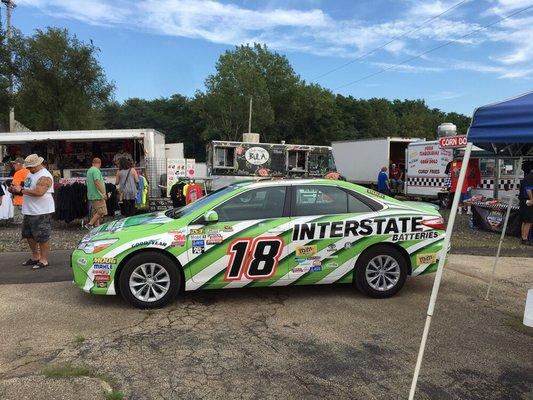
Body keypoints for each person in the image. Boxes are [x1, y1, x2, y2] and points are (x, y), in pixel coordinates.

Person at [10, 154, 55, 270]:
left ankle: (44, 260)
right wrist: (15, 189)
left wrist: (22, 190)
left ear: (38, 164)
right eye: (28, 167)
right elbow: (27, 189)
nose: (29, 169)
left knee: (42, 236)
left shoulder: (45, 176)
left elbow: (40, 192)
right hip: (29, 210)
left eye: (31, 167)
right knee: (28, 235)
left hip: (42, 211)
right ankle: (36, 256)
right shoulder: (31, 173)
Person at [86, 157, 108, 229]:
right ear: (99, 163)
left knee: (95, 212)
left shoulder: (89, 171)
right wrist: (103, 193)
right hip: (97, 195)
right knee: (101, 211)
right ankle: (90, 224)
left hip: (91, 195)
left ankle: (97, 227)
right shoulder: (96, 171)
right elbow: (97, 182)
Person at [8, 157, 29, 224]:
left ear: (19, 164)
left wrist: (9, 188)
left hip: (19, 201)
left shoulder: (18, 173)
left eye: (14, 164)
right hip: (28, 200)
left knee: (19, 224)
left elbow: (15, 188)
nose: (13, 166)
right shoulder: (29, 171)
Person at [518, 162, 533, 246]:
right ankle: (524, 238)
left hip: (525, 201)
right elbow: (528, 189)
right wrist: (532, 199)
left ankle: (524, 238)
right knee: (529, 221)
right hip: (527, 201)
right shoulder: (530, 177)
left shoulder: (528, 177)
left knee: (525, 221)